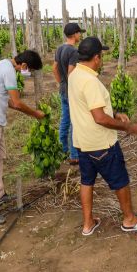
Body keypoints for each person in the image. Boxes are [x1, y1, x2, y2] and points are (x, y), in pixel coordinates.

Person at [68, 36, 137, 235]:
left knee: (87, 181)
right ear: (96, 57)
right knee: (120, 180)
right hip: (101, 144)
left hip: (82, 142)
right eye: (102, 56)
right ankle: (129, 220)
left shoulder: (74, 75)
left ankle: (88, 223)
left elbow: (90, 108)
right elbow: (99, 118)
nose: (102, 59)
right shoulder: (90, 82)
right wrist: (128, 127)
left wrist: (114, 115)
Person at [0, 50, 44, 225]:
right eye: (31, 70)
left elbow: (7, 100)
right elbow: (17, 103)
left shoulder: (2, 64)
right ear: (25, 65)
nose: (28, 73)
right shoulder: (9, 71)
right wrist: (35, 114)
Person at [54, 22, 85, 166]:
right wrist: (74, 88)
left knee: (65, 120)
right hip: (71, 91)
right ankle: (74, 155)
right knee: (74, 122)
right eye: (79, 33)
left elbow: (54, 67)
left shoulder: (60, 48)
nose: (80, 35)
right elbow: (71, 72)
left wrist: (61, 82)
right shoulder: (73, 51)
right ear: (74, 34)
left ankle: (62, 151)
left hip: (63, 89)